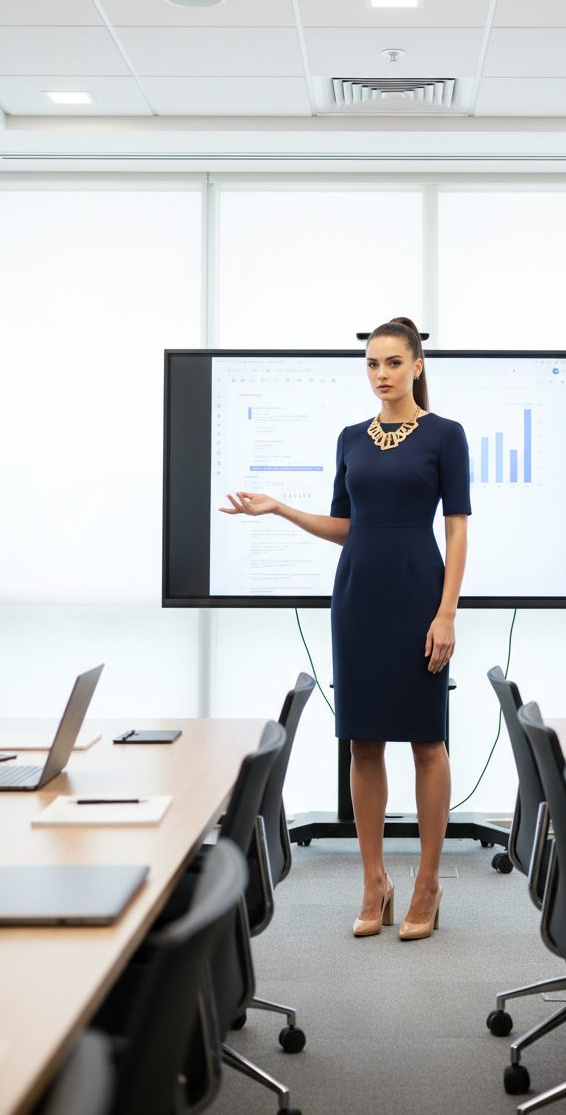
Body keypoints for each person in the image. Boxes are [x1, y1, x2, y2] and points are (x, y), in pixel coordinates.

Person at [220, 317, 470, 940]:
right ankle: (373, 882)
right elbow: (347, 527)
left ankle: (428, 883)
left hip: (419, 595)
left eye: (393, 363)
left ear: (417, 365)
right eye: (372, 365)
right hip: (357, 599)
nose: (381, 374)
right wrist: (280, 508)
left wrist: (446, 612)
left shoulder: (446, 435)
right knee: (362, 743)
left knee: (427, 742)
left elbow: (457, 528)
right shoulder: (350, 439)